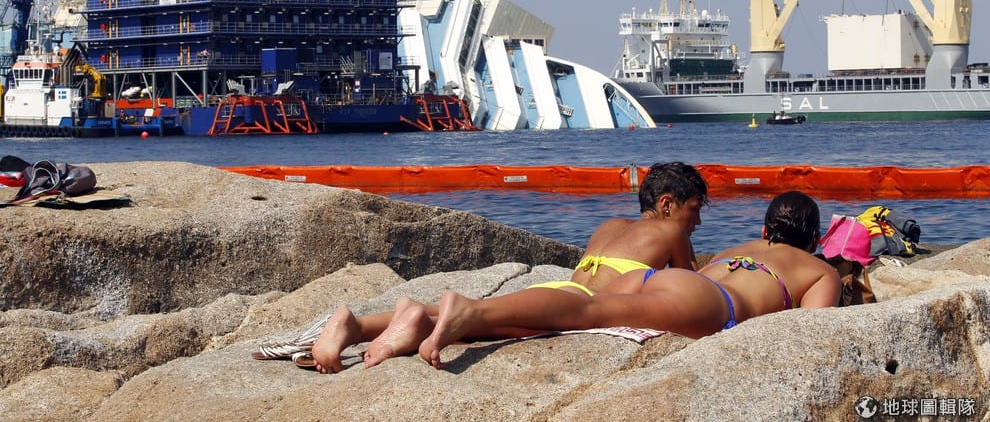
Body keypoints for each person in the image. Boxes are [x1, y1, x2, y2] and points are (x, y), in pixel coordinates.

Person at [304, 161, 709, 373]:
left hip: (560, 292)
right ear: (667, 204)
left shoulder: (610, 225)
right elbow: (697, 291)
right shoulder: (672, 231)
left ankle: (358, 325)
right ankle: (408, 323)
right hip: (580, 303)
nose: (698, 221)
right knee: (478, 322)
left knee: (484, 320)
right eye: (694, 209)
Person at [416, 190, 841, 369]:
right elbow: (809, 330)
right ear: (815, 240)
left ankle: (421, 320)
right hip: (708, 301)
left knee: (579, 311)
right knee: (588, 314)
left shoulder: (738, 248)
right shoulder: (819, 270)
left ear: (765, 231)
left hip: (660, 280)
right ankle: (471, 311)